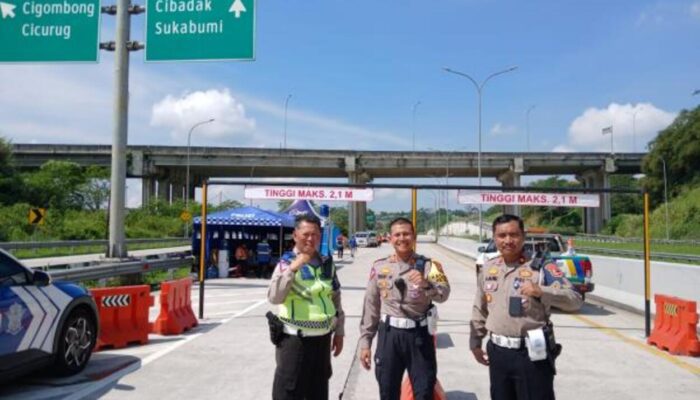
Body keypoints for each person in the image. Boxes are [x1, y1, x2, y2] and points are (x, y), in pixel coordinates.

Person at [470, 214, 583, 400]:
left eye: (514, 234)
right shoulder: (489, 267)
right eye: (502, 235)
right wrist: (475, 342)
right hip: (498, 353)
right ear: (494, 238)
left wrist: (542, 291)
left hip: (531, 354)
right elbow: (479, 308)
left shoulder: (541, 267)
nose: (508, 240)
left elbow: (575, 299)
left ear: (523, 236)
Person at [358, 217, 451, 400]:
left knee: (424, 390)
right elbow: (371, 306)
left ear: (414, 236)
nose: (402, 238)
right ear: (390, 238)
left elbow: (444, 293)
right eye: (397, 234)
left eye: (406, 234)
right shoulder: (379, 266)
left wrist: (426, 285)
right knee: (387, 389)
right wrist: (365, 342)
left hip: (419, 335)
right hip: (389, 336)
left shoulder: (431, 265)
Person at [268, 215, 345, 400]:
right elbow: (274, 297)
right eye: (306, 234)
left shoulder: (327, 263)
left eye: (315, 234)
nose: (310, 239)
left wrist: (340, 332)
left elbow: (335, 298)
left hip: (322, 340)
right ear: (295, 235)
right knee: (288, 391)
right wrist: (293, 269)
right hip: (294, 340)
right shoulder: (286, 262)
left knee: (318, 391)